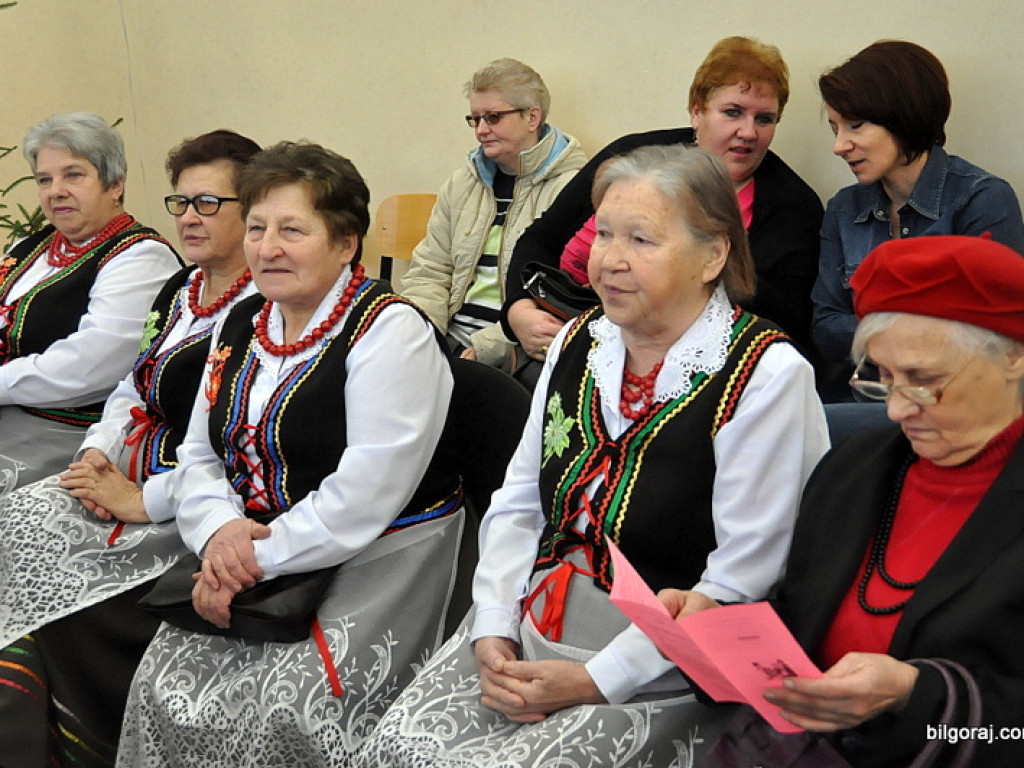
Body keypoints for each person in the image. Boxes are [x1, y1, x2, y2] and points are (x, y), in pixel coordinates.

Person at [353, 145, 828, 767]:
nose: (611, 260)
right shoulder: (579, 342)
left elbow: (743, 577)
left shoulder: (764, 374)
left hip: (664, 659)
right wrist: (492, 624)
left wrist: (596, 680)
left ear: (713, 255)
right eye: (603, 234)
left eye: (642, 240)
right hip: (536, 617)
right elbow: (519, 502)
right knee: (396, 747)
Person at [117, 142, 464, 766]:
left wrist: (247, 559)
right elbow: (199, 453)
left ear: (345, 242)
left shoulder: (391, 331)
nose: (267, 247)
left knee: (292, 707)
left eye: (292, 230)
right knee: (162, 683)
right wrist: (218, 532)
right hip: (250, 545)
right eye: (256, 228)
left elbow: (364, 495)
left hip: (380, 550)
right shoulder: (242, 321)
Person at [662, 235, 1024, 766]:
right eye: (883, 379)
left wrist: (914, 695)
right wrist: (718, 631)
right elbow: (801, 619)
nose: (897, 410)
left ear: (1014, 355)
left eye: (924, 381)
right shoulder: (855, 469)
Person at [0, 129, 261, 768]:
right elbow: (131, 385)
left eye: (209, 203)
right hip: (129, 468)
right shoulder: (183, 291)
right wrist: (97, 450)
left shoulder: (261, 310)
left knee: (45, 565)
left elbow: (229, 442)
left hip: (196, 498)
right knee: (19, 525)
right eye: (182, 202)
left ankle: (65, 736)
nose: (190, 217)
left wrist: (145, 497)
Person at [503, 37, 823, 376]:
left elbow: (790, 326)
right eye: (733, 113)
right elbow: (540, 239)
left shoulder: (794, 207)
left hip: (697, 372)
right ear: (697, 112)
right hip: (563, 339)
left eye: (765, 119)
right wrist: (518, 312)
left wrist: (710, 258)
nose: (748, 132)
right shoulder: (632, 158)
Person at [811, 41, 1024, 391]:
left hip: (951, 397)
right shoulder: (843, 209)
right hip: (866, 394)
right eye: (835, 129)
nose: (839, 146)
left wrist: (877, 328)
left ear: (902, 117)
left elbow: (991, 334)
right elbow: (825, 328)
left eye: (855, 125)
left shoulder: (982, 199)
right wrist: (922, 323)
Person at [0, 112, 181, 493]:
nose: (56, 190)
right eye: (44, 179)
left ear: (115, 184)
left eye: (73, 175)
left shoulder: (141, 257)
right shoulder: (31, 248)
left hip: (68, 430)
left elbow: (91, 364)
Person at [400, 58, 586, 369]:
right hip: (447, 340)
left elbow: (561, 301)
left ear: (532, 117)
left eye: (493, 118)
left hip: (514, 353)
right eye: (475, 119)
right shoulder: (462, 183)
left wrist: (486, 348)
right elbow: (430, 270)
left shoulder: (573, 190)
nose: (481, 131)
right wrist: (422, 334)